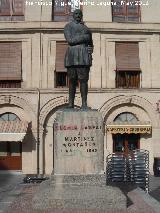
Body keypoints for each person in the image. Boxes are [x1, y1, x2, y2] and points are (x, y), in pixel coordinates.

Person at [64, 9, 93, 109]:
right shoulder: (68, 26)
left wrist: (90, 48)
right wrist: (85, 38)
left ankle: (84, 103)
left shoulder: (86, 28)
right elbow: (70, 40)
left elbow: (91, 45)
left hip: (84, 57)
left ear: (81, 16)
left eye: (79, 14)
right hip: (72, 56)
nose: (78, 15)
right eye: (76, 14)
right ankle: (70, 103)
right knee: (72, 80)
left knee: (83, 81)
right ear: (73, 15)